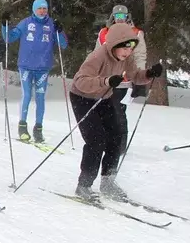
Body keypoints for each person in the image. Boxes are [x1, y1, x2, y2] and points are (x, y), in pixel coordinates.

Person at [69, 23, 163, 201]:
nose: (128, 52)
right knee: (96, 140)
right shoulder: (97, 56)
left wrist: (150, 73)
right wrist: (105, 81)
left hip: (104, 96)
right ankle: (84, 185)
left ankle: (108, 181)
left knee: (116, 136)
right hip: (82, 97)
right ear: (114, 44)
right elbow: (80, 81)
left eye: (131, 48)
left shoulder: (126, 57)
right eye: (125, 48)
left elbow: (135, 75)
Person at [6, 0, 67, 143]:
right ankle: (22, 126)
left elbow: (63, 45)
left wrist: (60, 30)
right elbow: (9, 38)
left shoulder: (51, 24)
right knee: (27, 95)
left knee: (40, 98)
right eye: (39, 8)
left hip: (43, 67)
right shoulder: (26, 23)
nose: (42, 11)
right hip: (26, 66)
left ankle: (38, 129)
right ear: (34, 9)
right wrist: (5, 25)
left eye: (44, 8)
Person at [96, 4, 148, 153]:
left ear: (127, 17)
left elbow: (140, 56)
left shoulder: (136, 33)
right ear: (113, 17)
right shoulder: (103, 33)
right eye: (117, 16)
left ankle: (120, 145)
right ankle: (108, 141)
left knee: (119, 112)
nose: (120, 19)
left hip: (125, 81)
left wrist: (139, 77)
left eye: (122, 16)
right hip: (107, 80)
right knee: (105, 112)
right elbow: (96, 54)